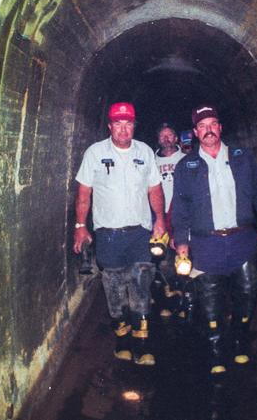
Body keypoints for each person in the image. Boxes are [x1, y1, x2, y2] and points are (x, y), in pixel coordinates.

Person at [171, 105, 257, 374]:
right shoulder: (187, 166)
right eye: (202, 126)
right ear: (196, 133)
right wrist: (181, 240)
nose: (208, 130)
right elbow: (181, 206)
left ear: (220, 128)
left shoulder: (242, 157)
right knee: (209, 300)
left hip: (242, 240)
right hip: (206, 245)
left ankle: (240, 338)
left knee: (248, 291)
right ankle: (217, 348)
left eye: (213, 124)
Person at [73, 102, 167, 366]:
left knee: (141, 285)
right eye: (118, 123)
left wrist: (159, 219)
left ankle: (143, 343)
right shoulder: (95, 153)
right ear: (110, 126)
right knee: (114, 288)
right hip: (109, 235)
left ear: (134, 125)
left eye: (128, 124)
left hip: (139, 233)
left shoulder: (145, 152)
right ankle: (122, 341)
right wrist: (81, 227)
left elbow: (154, 190)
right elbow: (84, 193)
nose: (124, 129)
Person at [153, 124, 188, 318]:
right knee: (163, 260)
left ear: (176, 138)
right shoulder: (152, 160)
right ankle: (168, 300)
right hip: (160, 216)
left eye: (170, 135)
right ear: (158, 139)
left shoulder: (185, 159)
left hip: (181, 215)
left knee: (184, 258)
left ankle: (184, 301)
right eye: (162, 136)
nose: (166, 139)